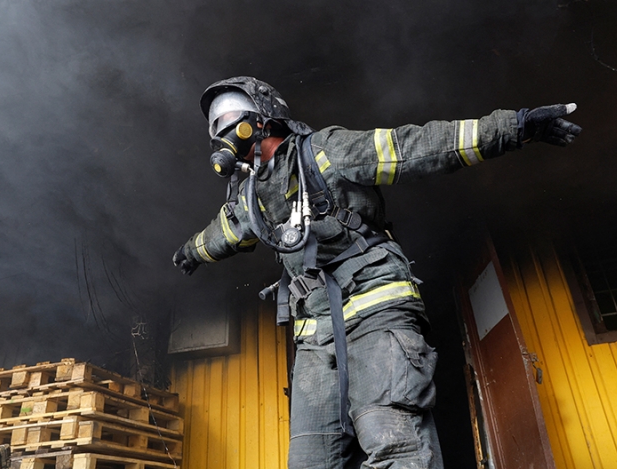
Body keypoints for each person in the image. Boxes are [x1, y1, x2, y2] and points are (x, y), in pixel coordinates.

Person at [173, 76, 581, 469]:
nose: (220, 133)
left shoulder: (325, 151)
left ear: (262, 116)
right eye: (214, 127)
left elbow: (414, 147)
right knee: (311, 460)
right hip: (315, 333)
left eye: (228, 119)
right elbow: (228, 229)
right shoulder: (250, 193)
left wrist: (515, 126)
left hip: (376, 309)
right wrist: (192, 251)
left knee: (393, 440)